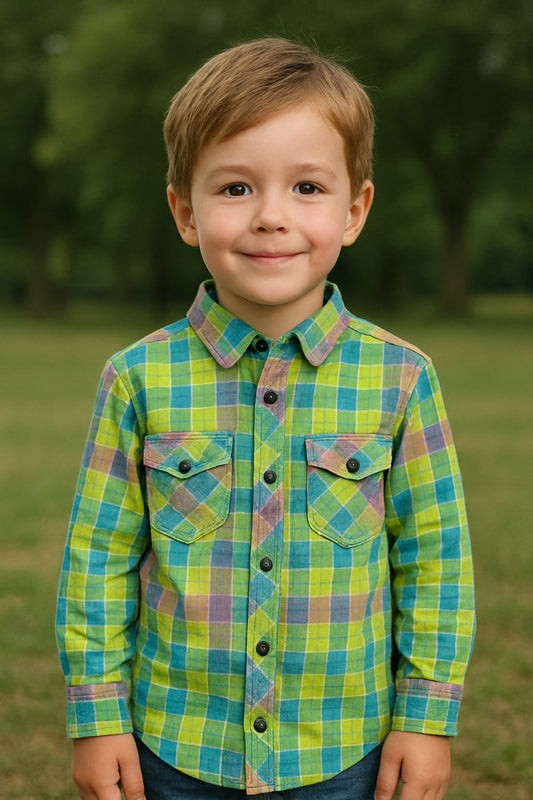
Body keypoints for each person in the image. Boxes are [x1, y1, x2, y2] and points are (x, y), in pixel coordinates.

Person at [56, 37, 475, 800]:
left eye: (307, 187)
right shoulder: (137, 379)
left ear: (354, 211)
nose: (271, 217)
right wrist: (96, 718)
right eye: (236, 188)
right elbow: (97, 562)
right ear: (185, 212)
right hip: (176, 748)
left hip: (342, 753)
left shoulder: (402, 379)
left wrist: (425, 718)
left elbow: (435, 563)